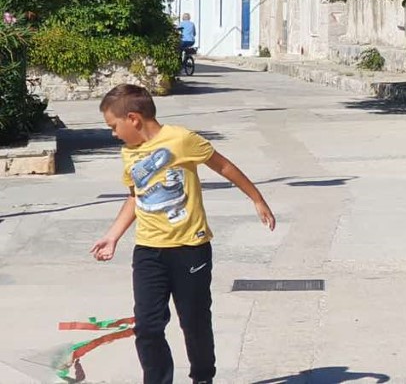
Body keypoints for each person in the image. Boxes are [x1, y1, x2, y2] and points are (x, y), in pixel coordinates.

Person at [90, 84, 276, 384]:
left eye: (114, 126)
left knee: (194, 322)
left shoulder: (181, 140)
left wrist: (257, 199)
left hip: (191, 249)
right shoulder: (129, 154)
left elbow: (224, 166)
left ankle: (202, 377)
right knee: (148, 327)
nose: (113, 134)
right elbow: (135, 197)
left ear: (133, 119)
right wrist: (113, 235)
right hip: (148, 251)